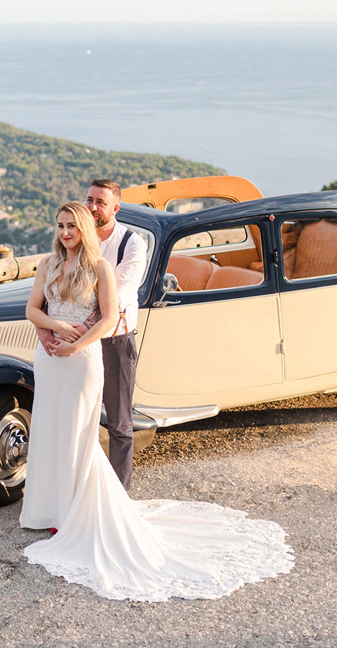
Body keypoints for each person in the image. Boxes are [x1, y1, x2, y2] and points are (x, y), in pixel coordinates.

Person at [20, 202, 294, 602]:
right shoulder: (48, 263)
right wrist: (52, 331)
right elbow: (31, 309)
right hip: (49, 360)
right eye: (59, 226)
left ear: (83, 228)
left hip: (80, 361)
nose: (64, 233)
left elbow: (109, 318)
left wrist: (75, 344)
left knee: (78, 435)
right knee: (49, 430)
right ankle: (44, 508)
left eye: (71, 227)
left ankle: (74, 515)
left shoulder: (99, 269)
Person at [36, 178, 146, 490]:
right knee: (74, 421)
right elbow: (50, 293)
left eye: (100, 202)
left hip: (113, 338)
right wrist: (45, 331)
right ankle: (76, 490)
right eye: (89, 199)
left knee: (119, 420)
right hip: (71, 342)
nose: (93, 206)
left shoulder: (131, 244)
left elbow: (121, 294)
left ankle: (116, 493)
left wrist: (84, 330)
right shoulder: (72, 238)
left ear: (115, 208)